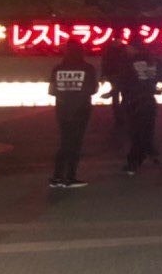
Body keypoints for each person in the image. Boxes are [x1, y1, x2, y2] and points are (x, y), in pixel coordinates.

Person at [48, 42, 100, 188]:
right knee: (75, 143)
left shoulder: (58, 68)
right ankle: (70, 177)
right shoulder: (87, 68)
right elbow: (92, 89)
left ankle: (57, 176)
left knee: (64, 142)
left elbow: (52, 91)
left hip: (62, 110)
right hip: (81, 110)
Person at [121, 45, 162, 175]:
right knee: (147, 130)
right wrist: (159, 89)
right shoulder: (155, 61)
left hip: (133, 101)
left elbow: (123, 81)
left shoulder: (130, 62)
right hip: (149, 100)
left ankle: (135, 162)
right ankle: (152, 154)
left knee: (136, 133)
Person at [99, 41, 131, 131]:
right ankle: (123, 115)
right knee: (124, 95)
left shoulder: (108, 49)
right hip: (123, 75)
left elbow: (105, 62)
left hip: (113, 74)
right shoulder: (125, 48)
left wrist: (104, 75)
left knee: (115, 95)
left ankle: (118, 117)